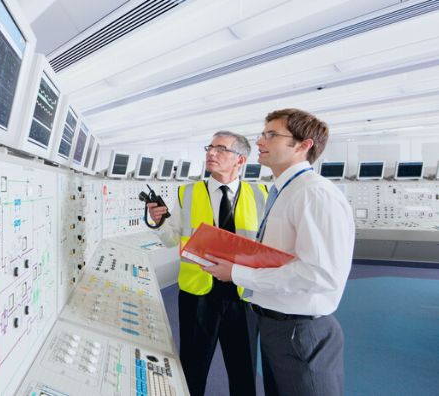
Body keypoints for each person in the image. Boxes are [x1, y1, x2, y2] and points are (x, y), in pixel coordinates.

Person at [203, 109, 355, 396]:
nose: (260, 141)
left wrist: (237, 273)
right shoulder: (284, 191)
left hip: (300, 332)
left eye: (271, 135)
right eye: (263, 134)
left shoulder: (314, 193)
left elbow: (320, 273)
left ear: (303, 145)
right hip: (277, 325)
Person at [146, 131, 267, 396]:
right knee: (192, 369)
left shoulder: (261, 194)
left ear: (240, 160)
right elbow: (170, 239)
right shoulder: (186, 193)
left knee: (243, 371)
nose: (211, 153)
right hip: (198, 294)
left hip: (243, 295)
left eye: (221, 149)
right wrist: (158, 222)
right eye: (209, 148)